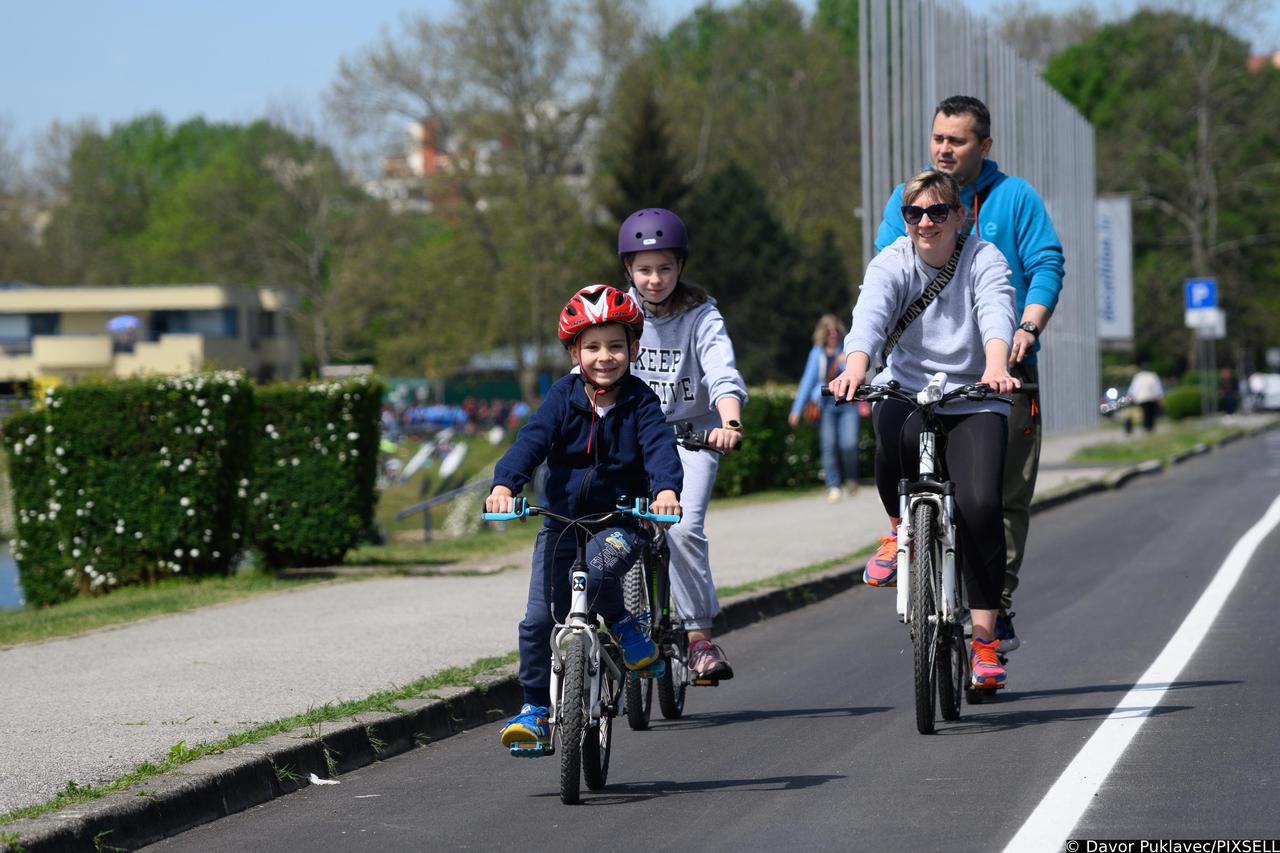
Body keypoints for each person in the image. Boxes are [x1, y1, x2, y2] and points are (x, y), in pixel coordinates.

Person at [873, 95, 1064, 653]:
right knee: (908, 465)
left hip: (1002, 376)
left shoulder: (1014, 197)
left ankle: (993, 607)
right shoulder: (911, 200)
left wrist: (1028, 328)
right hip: (923, 375)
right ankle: (914, 549)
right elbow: (889, 267)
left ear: (984, 145)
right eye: (937, 138)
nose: (943, 149)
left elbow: (1046, 263)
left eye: (956, 140)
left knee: (999, 499)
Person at [831, 169, 1017, 689]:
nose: (927, 223)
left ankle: (982, 643)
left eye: (938, 212)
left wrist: (996, 366)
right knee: (890, 430)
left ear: (961, 216)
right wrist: (854, 369)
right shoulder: (892, 260)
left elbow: (997, 311)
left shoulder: (984, 258)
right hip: (908, 387)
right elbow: (868, 316)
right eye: (915, 214)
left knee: (980, 507)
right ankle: (898, 529)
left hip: (976, 394)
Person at [489, 284, 684, 752]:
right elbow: (532, 441)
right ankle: (535, 709)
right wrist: (504, 485)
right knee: (538, 621)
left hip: (620, 521)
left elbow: (659, 447)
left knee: (597, 570)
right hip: (559, 522)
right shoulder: (562, 396)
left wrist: (665, 492)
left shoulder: (640, 401)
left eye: (616, 346)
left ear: (633, 348)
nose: (605, 356)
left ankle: (622, 622)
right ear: (575, 350)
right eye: (592, 346)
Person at [619, 208, 747, 681]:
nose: (655, 279)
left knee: (680, 526)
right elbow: (591, 362)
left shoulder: (700, 315)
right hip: (632, 437)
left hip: (692, 438)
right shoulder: (618, 311)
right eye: (645, 269)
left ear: (681, 267)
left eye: (666, 268)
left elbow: (720, 369)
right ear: (628, 270)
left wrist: (728, 420)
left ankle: (698, 639)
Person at [789, 314, 862, 502]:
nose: (833, 334)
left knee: (849, 444)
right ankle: (834, 486)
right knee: (828, 446)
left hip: (847, 403)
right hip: (826, 405)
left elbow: (861, 375)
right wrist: (796, 410)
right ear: (822, 333)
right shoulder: (817, 353)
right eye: (828, 331)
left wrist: (845, 362)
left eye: (835, 330)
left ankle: (852, 478)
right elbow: (807, 381)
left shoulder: (848, 350)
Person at [1126, 361, 1164, 433]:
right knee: (1151, 413)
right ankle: (1150, 427)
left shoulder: (1138, 376)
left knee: (1145, 413)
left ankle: (1146, 427)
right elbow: (1157, 388)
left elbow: (1134, 388)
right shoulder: (1153, 376)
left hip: (1142, 398)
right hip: (1151, 397)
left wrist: (1130, 396)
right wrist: (1160, 397)